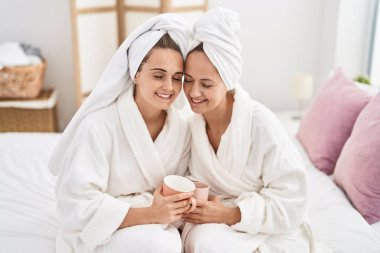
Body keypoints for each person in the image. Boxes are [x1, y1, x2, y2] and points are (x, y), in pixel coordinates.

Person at [181, 8, 331, 253]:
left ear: (227, 81)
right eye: (188, 80)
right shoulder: (192, 124)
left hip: (263, 224)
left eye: (206, 84)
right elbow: (189, 174)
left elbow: (292, 200)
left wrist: (230, 214)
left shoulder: (261, 124)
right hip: (213, 220)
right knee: (201, 242)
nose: (193, 92)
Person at [48, 14, 193, 253]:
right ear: (136, 74)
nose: (169, 87)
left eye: (177, 78)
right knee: (161, 246)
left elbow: (184, 182)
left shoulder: (181, 128)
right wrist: (149, 213)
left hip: (161, 223)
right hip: (104, 229)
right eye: (158, 75)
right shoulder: (99, 125)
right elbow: (76, 202)